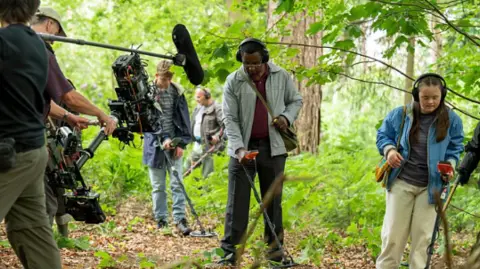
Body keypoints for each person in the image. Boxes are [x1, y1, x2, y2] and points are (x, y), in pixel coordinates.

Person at [30, 7, 116, 237]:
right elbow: (68, 96)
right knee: (40, 203)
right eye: (57, 31)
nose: (57, 38)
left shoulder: (13, 44)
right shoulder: (39, 49)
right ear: (50, 25)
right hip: (26, 143)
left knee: (30, 205)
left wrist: (68, 117)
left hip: (16, 139)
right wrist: (101, 114)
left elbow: (43, 100)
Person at [219, 38, 303, 265]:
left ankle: (275, 254)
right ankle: (229, 253)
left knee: (273, 202)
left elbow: (295, 100)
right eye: (247, 64)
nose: (252, 69)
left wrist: (286, 117)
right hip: (242, 149)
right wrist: (239, 149)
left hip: (272, 148)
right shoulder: (233, 81)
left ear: (264, 59)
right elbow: (230, 118)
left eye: (256, 63)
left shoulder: (281, 76)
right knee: (236, 202)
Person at [376, 73, 464, 269]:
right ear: (416, 95)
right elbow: (383, 135)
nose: (430, 102)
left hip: (432, 187)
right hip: (401, 182)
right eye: (425, 97)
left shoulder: (452, 119)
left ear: (442, 96)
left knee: (423, 240)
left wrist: (450, 164)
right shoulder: (400, 114)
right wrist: (389, 150)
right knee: (392, 236)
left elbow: (456, 146)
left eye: (435, 97)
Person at [0, 0, 62, 267]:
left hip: (10, 155)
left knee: (32, 230)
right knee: (32, 231)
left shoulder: (5, 43)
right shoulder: (38, 45)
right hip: (34, 151)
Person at [142, 60, 193, 235]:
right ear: (156, 76)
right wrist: (162, 138)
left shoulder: (177, 92)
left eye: (169, 79)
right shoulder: (147, 93)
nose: (166, 82)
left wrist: (182, 143)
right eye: (164, 79)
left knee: (177, 183)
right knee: (158, 186)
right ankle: (161, 220)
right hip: (154, 144)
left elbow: (184, 119)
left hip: (175, 143)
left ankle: (180, 219)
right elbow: (148, 120)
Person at [187, 87, 225, 179]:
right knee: (189, 169)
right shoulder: (198, 108)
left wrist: (217, 137)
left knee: (207, 175)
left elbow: (225, 126)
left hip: (210, 147)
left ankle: (206, 192)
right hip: (197, 145)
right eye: (196, 97)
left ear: (207, 96)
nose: (196, 99)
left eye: (199, 97)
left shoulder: (217, 108)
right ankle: (196, 191)